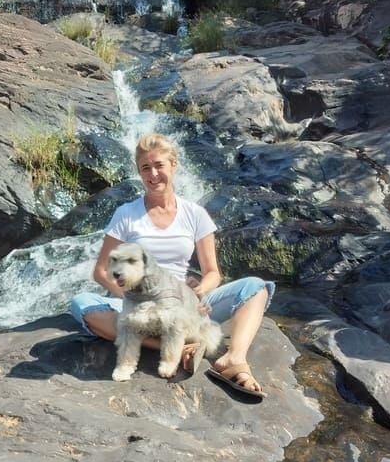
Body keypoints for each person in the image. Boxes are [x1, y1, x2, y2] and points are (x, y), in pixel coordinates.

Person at [69, 133, 275, 398]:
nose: (153, 174)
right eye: (145, 168)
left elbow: (213, 273)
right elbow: (101, 272)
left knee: (256, 287)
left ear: (174, 166)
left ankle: (233, 358)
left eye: (159, 166)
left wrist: (199, 292)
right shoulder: (126, 215)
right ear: (139, 172)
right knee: (82, 303)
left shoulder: (195, 214)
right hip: (137, 303)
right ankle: (176, 346)